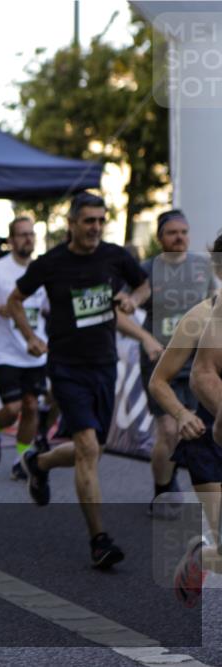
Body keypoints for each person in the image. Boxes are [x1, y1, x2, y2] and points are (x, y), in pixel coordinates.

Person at [8, 191, 150, 568]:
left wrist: (133, 300)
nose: (96, 228)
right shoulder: (51, 262)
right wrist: (31, 338)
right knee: (87, 446)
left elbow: (144, 284)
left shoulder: (116, 256)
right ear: (71, 223)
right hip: (66, 366)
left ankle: (38, 464)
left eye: (101, 220)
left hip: (104, 365)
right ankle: (99, 541)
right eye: (89, 221)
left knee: (93, 448)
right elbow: (14, 300)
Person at [151, 233, 222, 606]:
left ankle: (204, 556)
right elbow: (158, 381)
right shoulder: (199, 317)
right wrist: (180, 413)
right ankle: (203, 556)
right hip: (208, 444)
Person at [138, 209, 216, 514]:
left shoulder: (201, 266)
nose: (180, 237)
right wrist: (145, 339)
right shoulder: (147, 269)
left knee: (201, 432)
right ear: (160, 238)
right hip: (161, 359)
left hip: (197, 361)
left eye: (183, 231)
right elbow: (122, 308)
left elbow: (212, 302)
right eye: (172, 232)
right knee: (169, 430)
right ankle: (162, 490)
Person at [0, 216, 48, 480]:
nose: (28, 239)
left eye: (31, 234)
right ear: (11, 240)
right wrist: (2, 309)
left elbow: (47, 309)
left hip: (35, 351)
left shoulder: (42, 270)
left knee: (30, 406)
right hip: (5, 350)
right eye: (22, 235)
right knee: (13, 407)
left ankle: (21, 459)